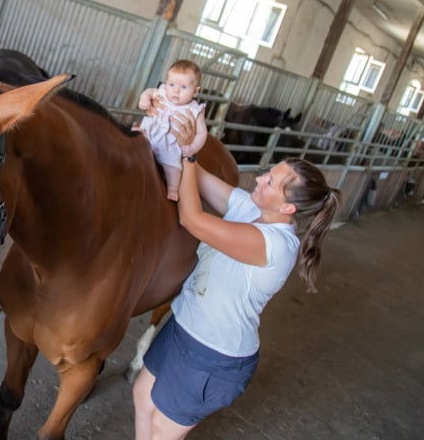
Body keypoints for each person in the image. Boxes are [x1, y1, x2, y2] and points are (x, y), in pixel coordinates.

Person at [132, 110, 341, 440]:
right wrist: (163, 138)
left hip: (214, 355)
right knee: (142, 397)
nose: (259, 179)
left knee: (161, 430)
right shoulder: (250, 208)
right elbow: (195, 175)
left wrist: (189, 155)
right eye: (267, 174)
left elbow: (193, 220)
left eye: (270, 182)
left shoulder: (276, 245)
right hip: (183, 326)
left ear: (288, 209)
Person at [138, 60, 208, 201]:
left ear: (195, 91)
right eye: (171, 85)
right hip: (149, 133)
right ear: (166, 83)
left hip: (170, 145)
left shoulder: (195, 110)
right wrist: (144, 99)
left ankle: (173, 188)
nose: (175, 91)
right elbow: (148, 92)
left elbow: (202, 133)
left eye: (183, 87)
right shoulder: (162, 92)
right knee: (134, 135)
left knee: (173, 168)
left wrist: (193, 147)